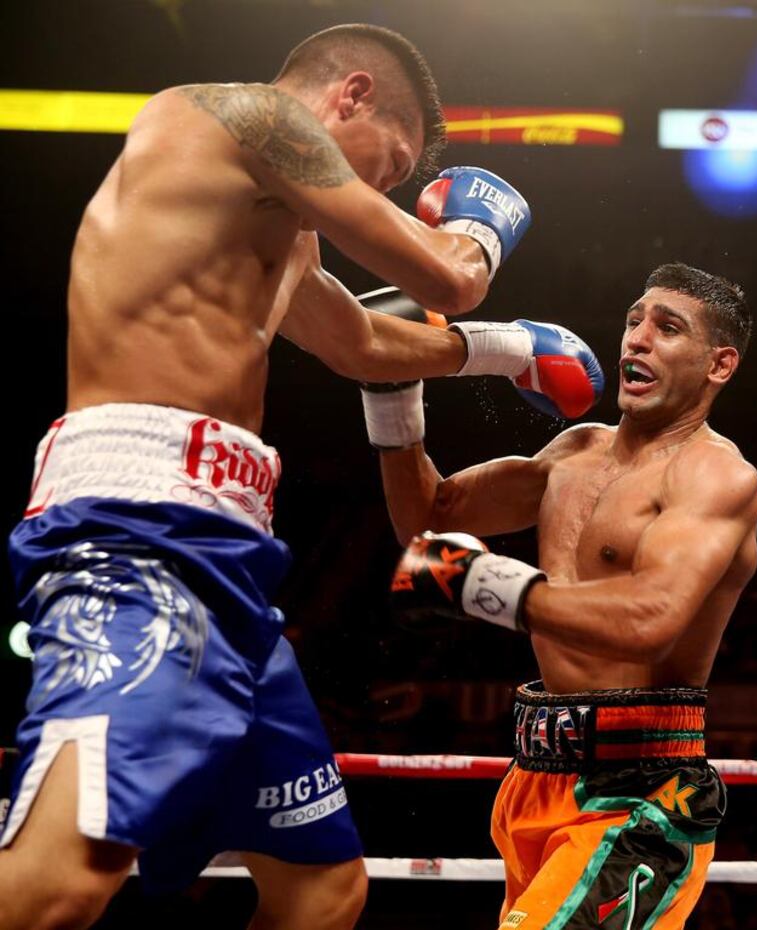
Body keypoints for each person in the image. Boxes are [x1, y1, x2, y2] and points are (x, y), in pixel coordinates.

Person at [0, 22, 584, 930]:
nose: (371, 194)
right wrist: (478, 228)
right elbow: (448, 276)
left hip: (229, 561)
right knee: (67, 879)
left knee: (321, 889)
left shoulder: (278, 230)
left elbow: (362, 347)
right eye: (382, 169)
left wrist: (506, 353)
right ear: (348, 95)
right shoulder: (238, 117)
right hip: (135, 530)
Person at [373, 263, 757, 928]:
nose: (637, 339)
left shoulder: (718, 478)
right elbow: (430, 519)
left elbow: (650, 617)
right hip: (533, 779)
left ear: (718, 364)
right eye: (635, 319)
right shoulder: (574, 452)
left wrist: (487, 584)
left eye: (668, 329)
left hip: (642, 795)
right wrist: (391, 394)